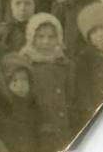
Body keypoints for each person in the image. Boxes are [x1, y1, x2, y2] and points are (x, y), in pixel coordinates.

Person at [19, 13, 76, 152]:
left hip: (63, 125)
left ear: (59, 38)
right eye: (40, 37)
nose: (46, 41)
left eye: (51, 37)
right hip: (39, 126)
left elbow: (71, 95)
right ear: (32, 37)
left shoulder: (65, 64)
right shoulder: (25, 63)